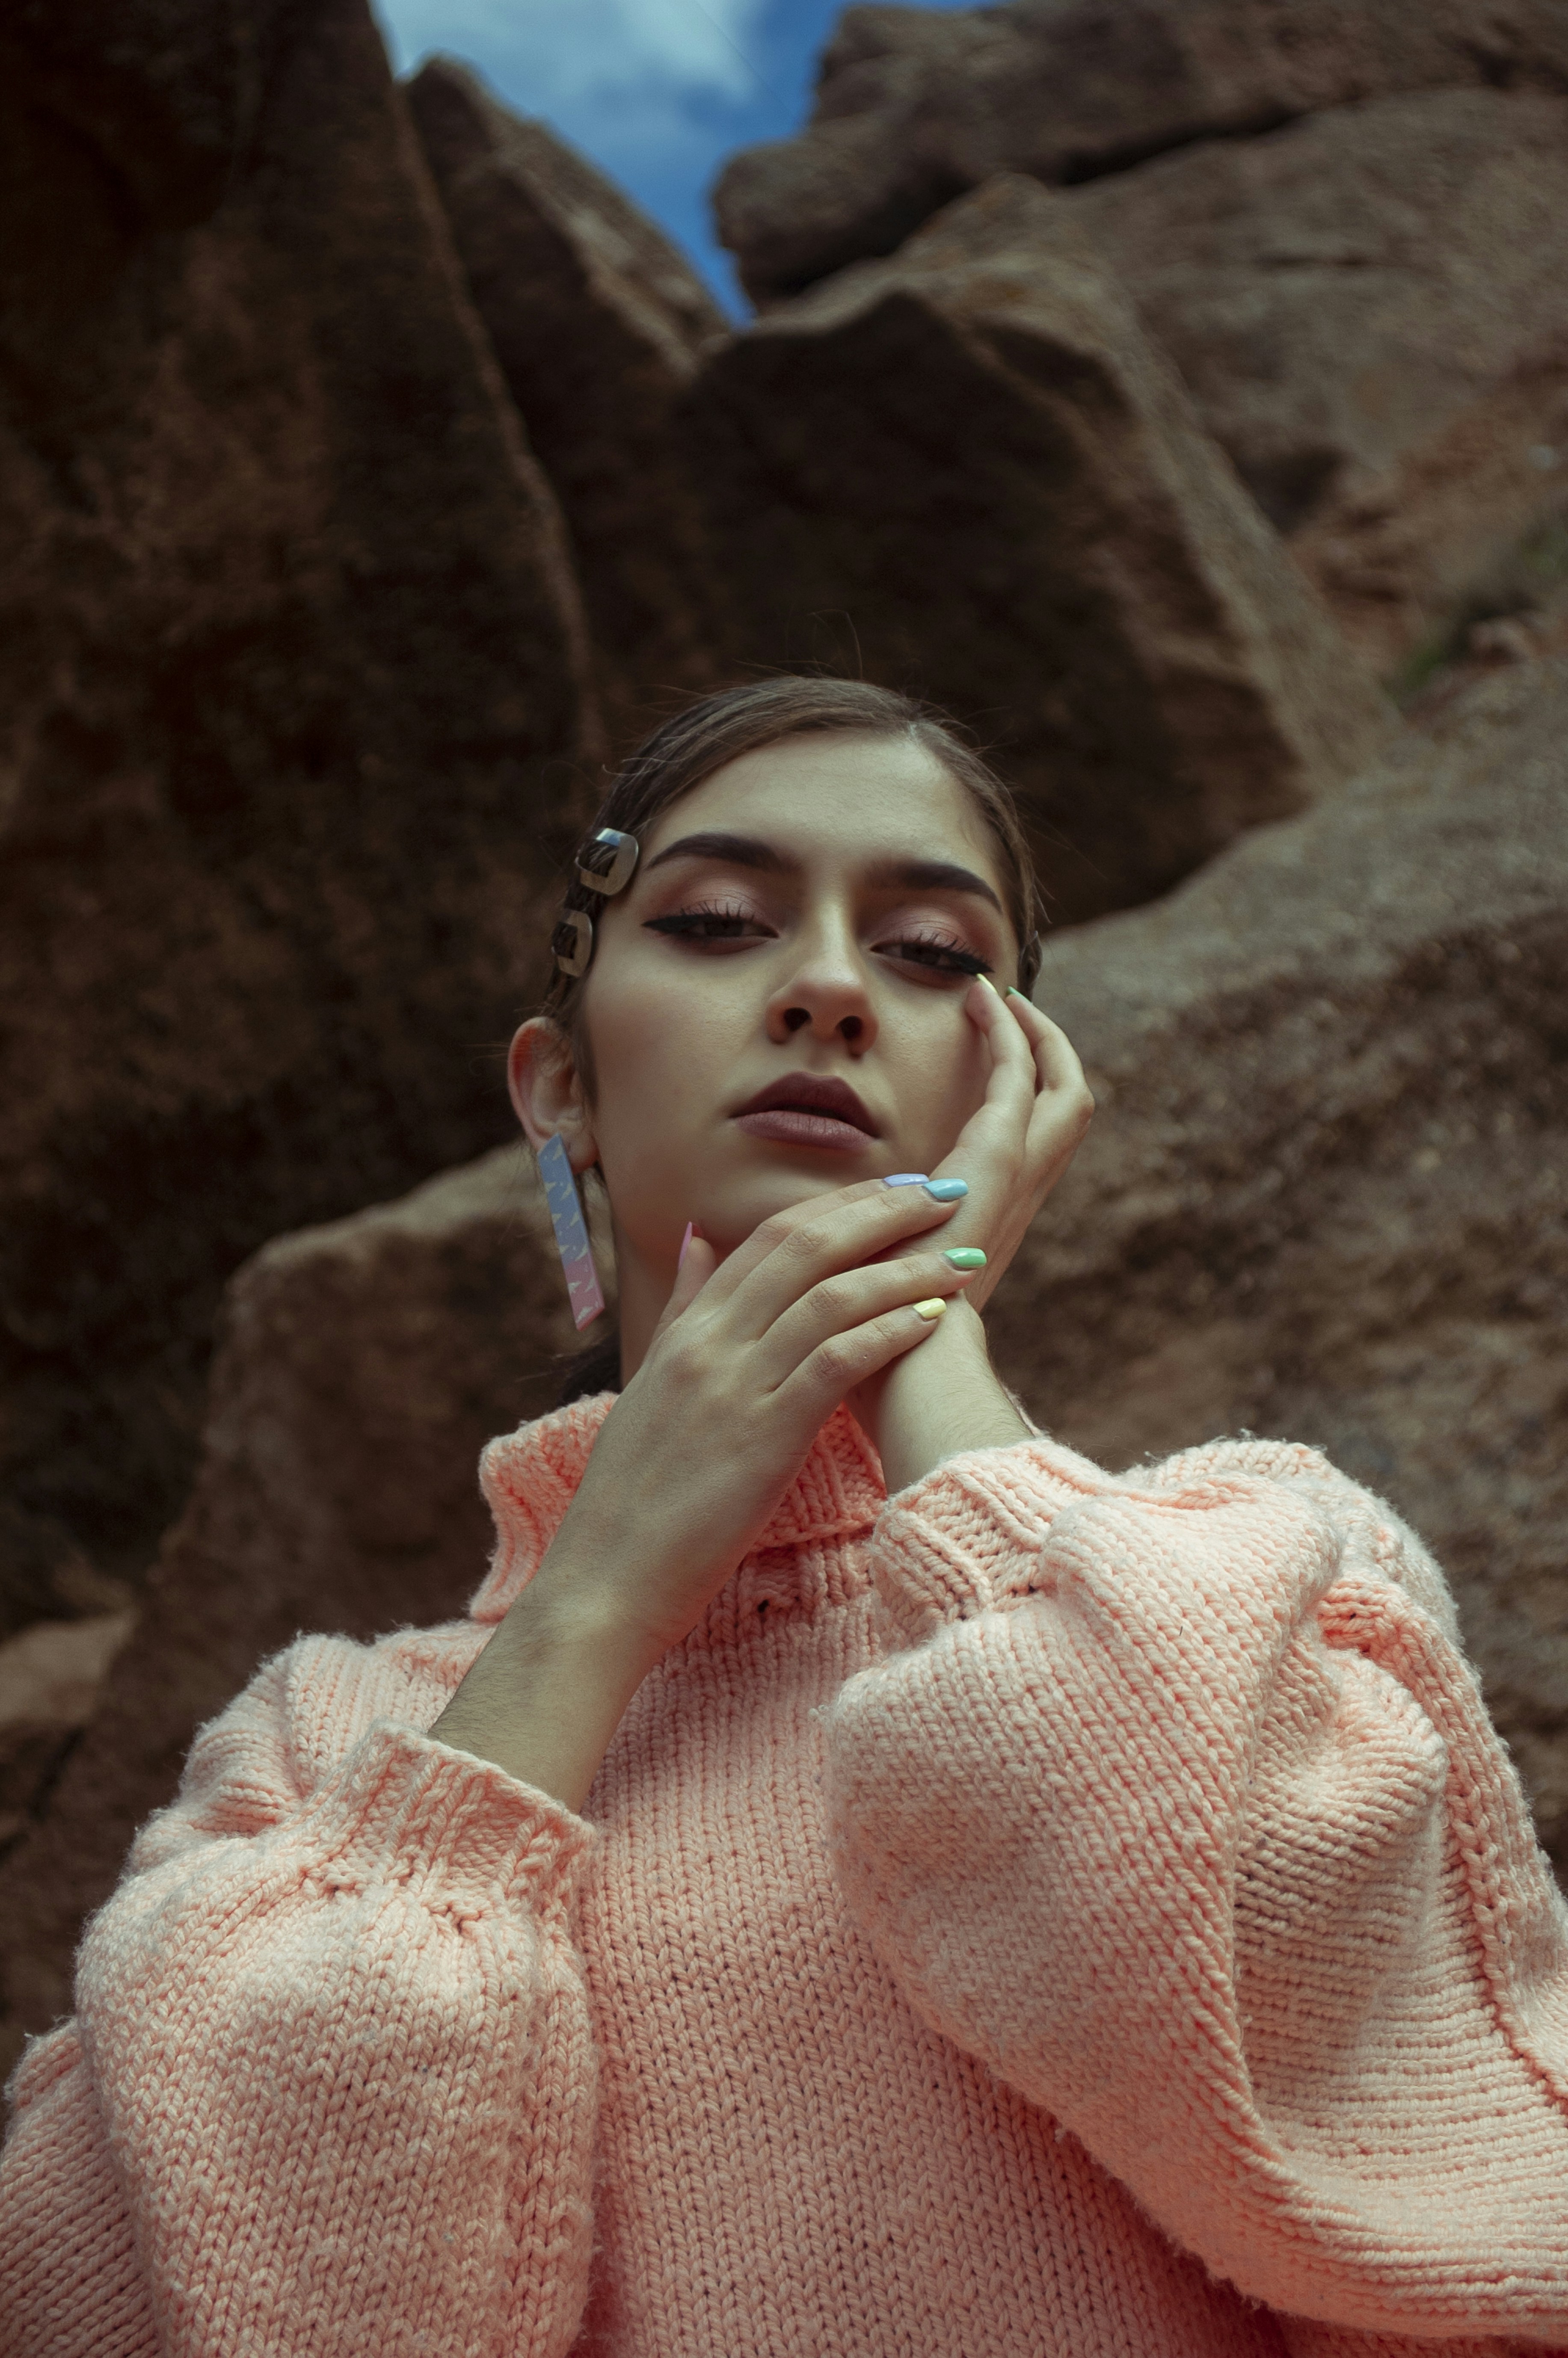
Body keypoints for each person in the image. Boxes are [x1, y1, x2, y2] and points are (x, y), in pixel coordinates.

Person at [3, 677, 1566, 2358]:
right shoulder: (319, 1757)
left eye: (932, 953)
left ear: (1015, 1078)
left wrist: (927, 1328)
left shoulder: (1254, 1567)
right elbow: (192, 2296)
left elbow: (1415, 2168)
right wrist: (595, 1591)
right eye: (721, 919)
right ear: (559, 1092)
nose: (826, 984)